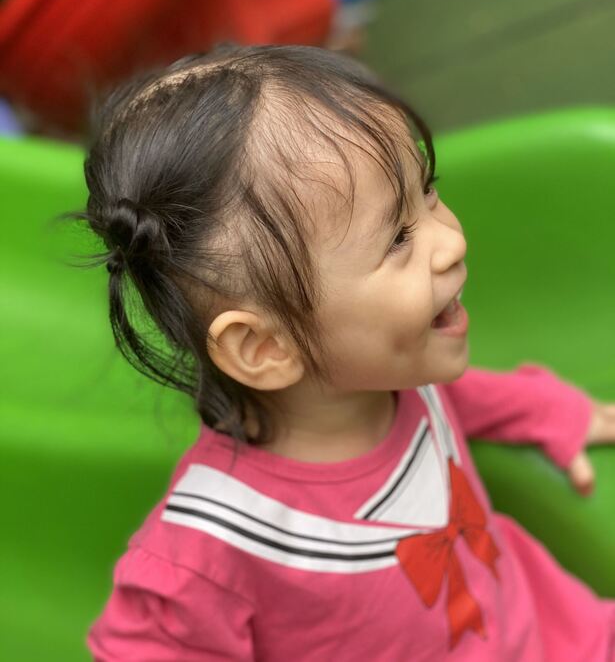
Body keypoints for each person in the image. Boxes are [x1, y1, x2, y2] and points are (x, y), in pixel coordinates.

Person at [83, 45, 615, 660]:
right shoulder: (217, 546)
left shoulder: (397, 376)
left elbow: (460, 397)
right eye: (398, 237)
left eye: (428, 191)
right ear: (264, 346)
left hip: (563, 637)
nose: (450, 241)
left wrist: (547, 410)